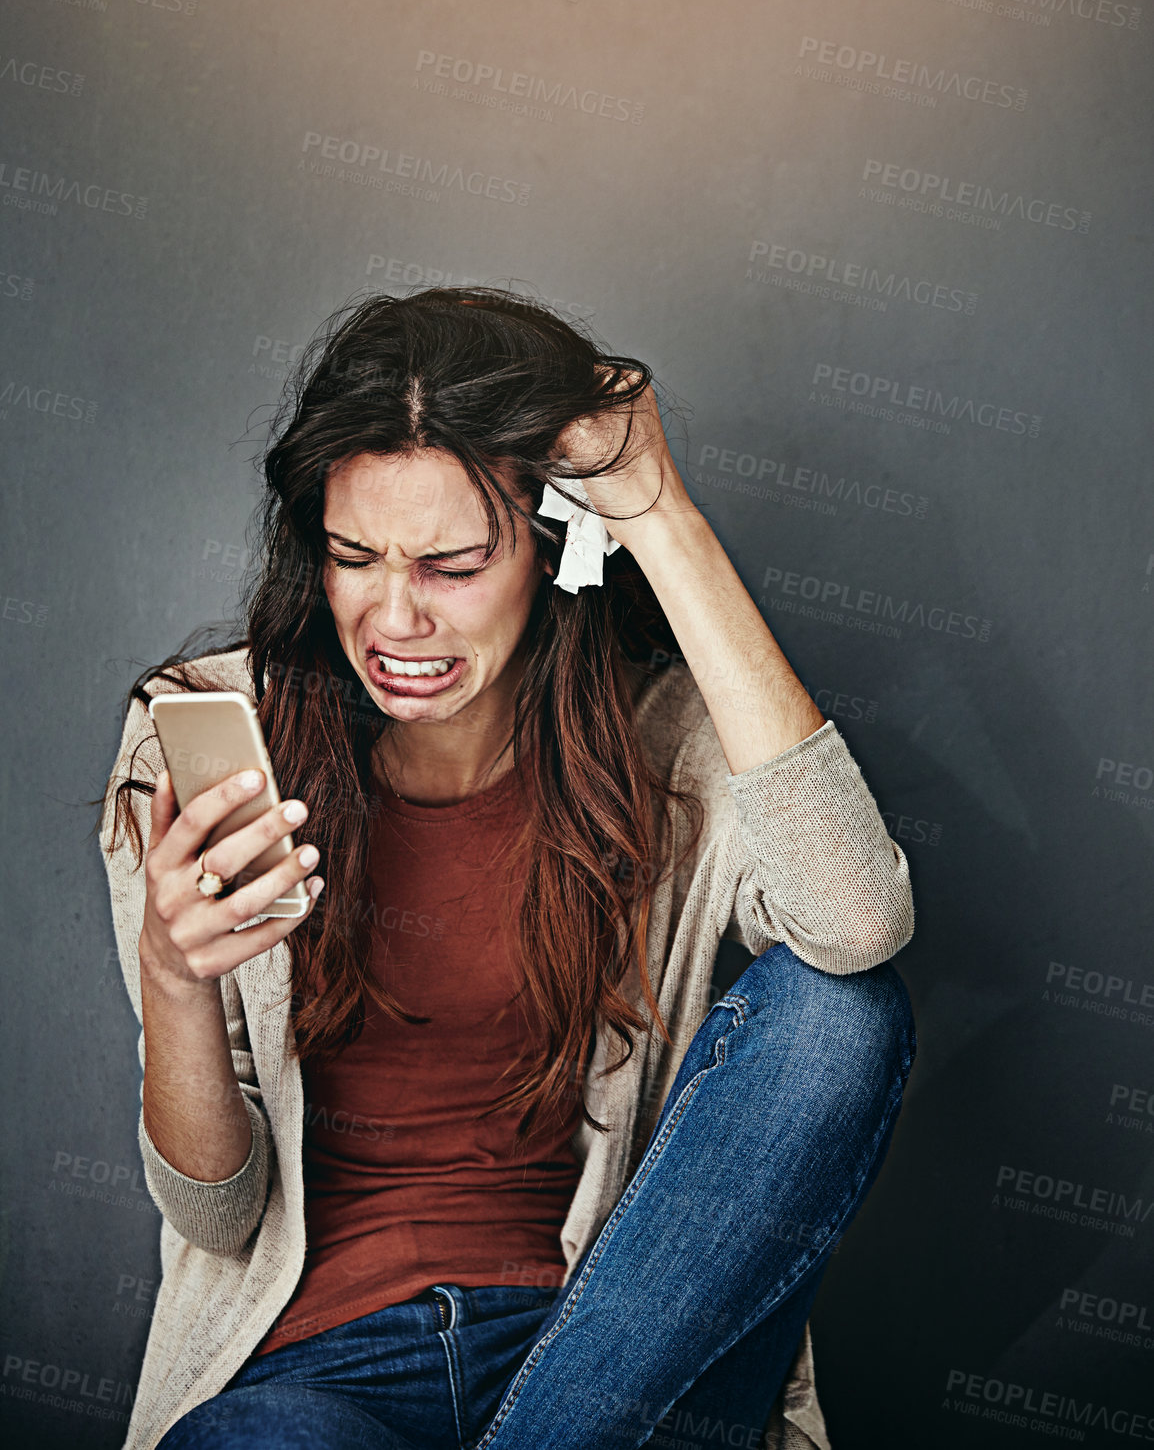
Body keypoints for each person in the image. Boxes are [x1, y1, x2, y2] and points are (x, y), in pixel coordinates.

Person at [99, 286, 916, 1450]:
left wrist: (656, 511)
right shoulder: (202, 736)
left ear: (548, 554)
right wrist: (178, 980)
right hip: (323, 1377)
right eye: (351, 557)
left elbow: (857, 918)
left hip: (605, 1352)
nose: (393, 617)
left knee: (840, 1013)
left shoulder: (668, 746)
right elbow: (214, 1212)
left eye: (451, 564)